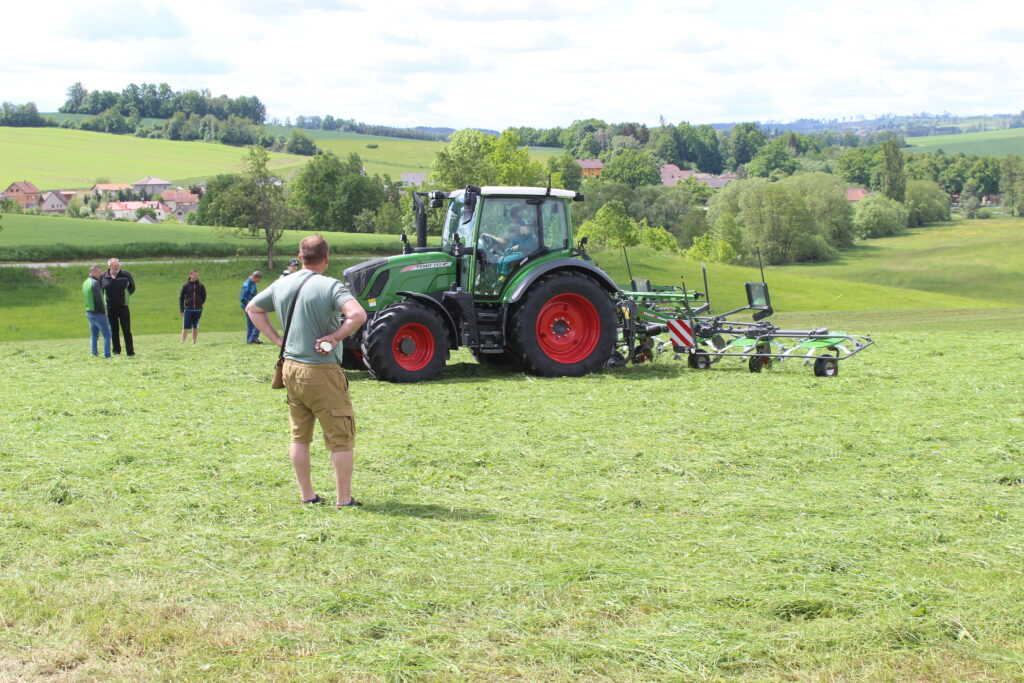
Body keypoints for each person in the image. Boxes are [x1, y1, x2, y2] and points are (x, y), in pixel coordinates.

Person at [246, 235, 367, 508]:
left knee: (300, 436)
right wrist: (335, 337)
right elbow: (358, 315)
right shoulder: (330, 286)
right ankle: (343, 499)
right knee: (341, 437)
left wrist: (279, 341)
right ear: (326, 258)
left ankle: (307, 496)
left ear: (300, 258)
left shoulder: (282, 283)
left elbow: (252, 308)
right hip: (321, 371)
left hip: (290, 368)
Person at [101, 257, 136, 356]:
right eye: (114, 265)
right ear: (109, 266)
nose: (117, 267)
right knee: (114, 330)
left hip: (123, 306)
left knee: (126, 330)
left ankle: (130, 352)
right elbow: (101, 289)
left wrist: (125, 296)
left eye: (118, 265)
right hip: (110, 308)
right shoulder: (103, 275)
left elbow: (132, 287)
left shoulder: (125, 274)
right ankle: (116, 350)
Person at [82, 265, 112, 358]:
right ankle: (107, 355)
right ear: (93, 272)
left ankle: (94, 353)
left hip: (89, 312)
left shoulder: (86, 282)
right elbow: (98, 299)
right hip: (98, 313)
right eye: (99, 272)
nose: (100, 274)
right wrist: (103, 311)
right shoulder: (95, 283)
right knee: (107, 334)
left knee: (94, 334)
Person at [178, 269, 207, 344]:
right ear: (190, 275)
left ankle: (194, 341)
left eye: (197, 275)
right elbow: (181, 298)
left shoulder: (201, 286)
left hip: (198, 310)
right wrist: (182, 309)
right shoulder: (185, 286)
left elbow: (204, 297)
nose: (196, 277)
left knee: (195, 326)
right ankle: (182, 342)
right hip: (188, 309)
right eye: (194, 275)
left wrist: (199, 304)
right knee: (185, 327)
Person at [240, 270, 263, 344]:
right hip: (248, 306)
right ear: (255, 277)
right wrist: (249, 305)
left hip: (251, 305)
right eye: (259, 279)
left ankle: (250, 339)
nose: (259, 281)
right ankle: (253, 338)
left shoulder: (252, 283)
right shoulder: (247, 284)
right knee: (257, 321)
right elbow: (242, 298)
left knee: (251, 323)